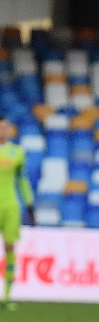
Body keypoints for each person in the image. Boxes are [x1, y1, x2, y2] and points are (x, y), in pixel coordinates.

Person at [0, 116, 35, 310]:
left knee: (10, 248)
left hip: (10, 206)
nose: (3, 131)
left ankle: (7, 295)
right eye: (0, 128)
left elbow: (23, 180)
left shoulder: (17, 152)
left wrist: (30, 205)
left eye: (5, 128)